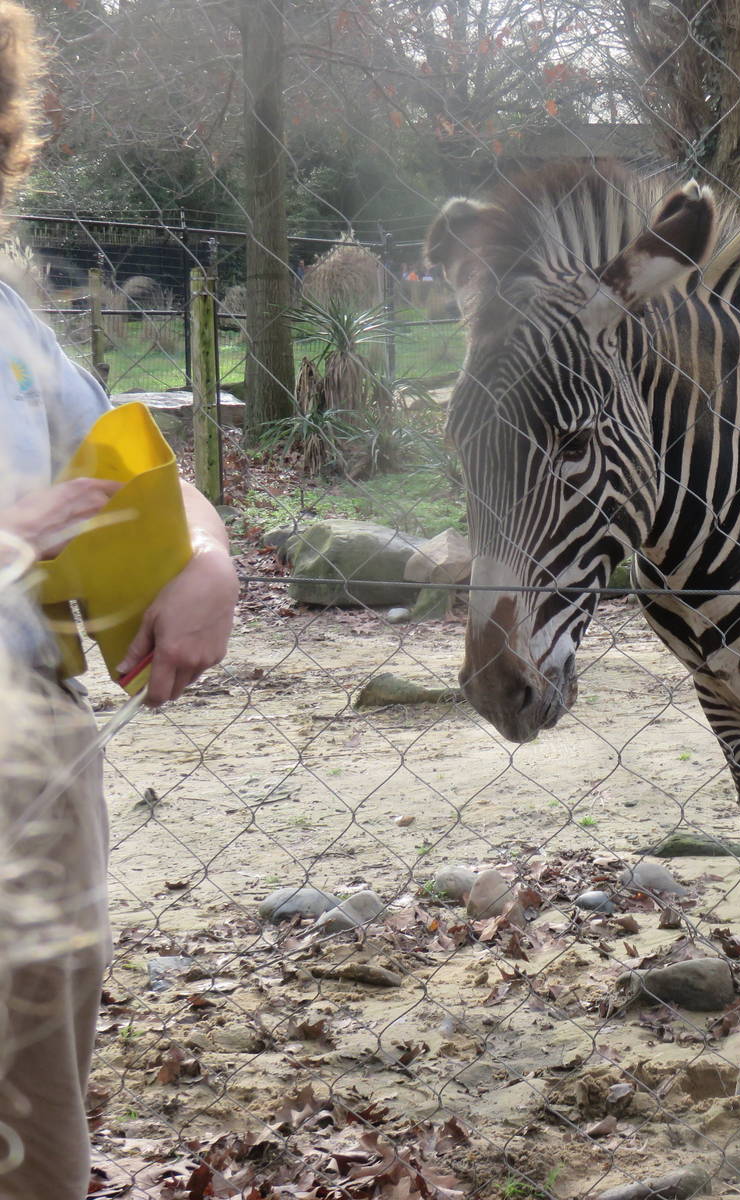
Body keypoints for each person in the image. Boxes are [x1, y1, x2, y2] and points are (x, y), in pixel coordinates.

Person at [0, 5, 238, 1197]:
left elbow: (139, 471)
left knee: (36, 1130)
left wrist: (205, 557)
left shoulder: (11, 328)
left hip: (29, 759)